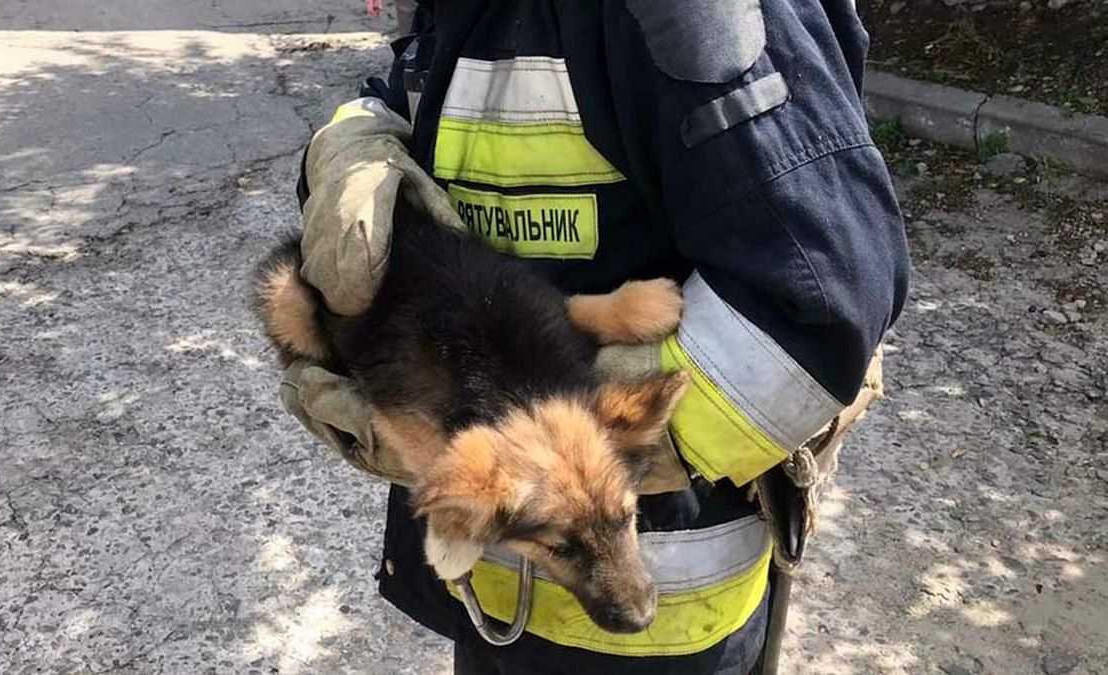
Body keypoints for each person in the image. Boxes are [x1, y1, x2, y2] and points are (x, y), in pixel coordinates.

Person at [281, 0, 910, 672]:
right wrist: (349, 148)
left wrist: (572, 460)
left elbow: (816, 308)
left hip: (659, 624)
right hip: (499, 595)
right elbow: (407, 92)